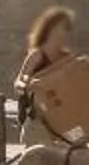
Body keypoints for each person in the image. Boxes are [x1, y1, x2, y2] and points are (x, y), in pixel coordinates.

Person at [13, 8, 75, 141]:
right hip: (39, 123)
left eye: (66, 28)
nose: (62, 33)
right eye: (59, 28)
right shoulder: (37, 55)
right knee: (39, 152)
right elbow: (19, 82)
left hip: (64, 123)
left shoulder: (67, 58)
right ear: (48, 29)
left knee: (76, 150)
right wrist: (28, 85)